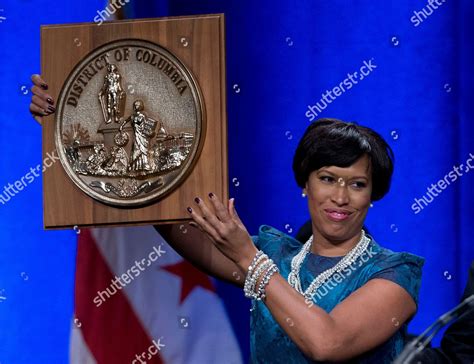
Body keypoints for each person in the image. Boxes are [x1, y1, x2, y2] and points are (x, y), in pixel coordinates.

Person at [30, 74, 424, 363]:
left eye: (357, 184)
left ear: (374, 195)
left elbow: (327, 344)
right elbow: (165, 215)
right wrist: (68, 118)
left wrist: (249, 260)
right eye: (327, 179)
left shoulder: (393, 275)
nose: (340, 196)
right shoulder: (275, 254)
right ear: (305, 183)